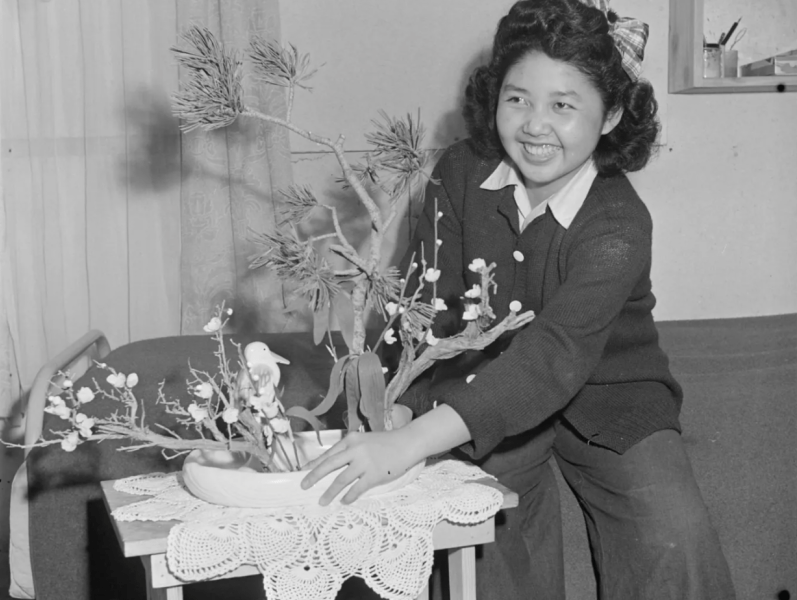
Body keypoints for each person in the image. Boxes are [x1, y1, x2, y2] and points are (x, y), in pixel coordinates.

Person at [302, 0, 737, 598]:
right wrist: (403, 406)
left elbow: (552, 357)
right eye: (518, 99)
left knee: (674, 539)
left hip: (613, 396)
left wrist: (410, 443)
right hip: (477, 387)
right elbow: (425, 303)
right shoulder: (459, 171)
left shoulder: (619, 222)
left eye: (563, 105)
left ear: (610, 115)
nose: (535, 125)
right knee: (485, 539)